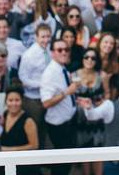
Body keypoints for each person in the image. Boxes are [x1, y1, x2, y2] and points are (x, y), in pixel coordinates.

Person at [40, 38, 79, 175]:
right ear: (52, 53)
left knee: (66, 163)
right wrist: (67, 92)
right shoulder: (49, 73)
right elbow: (46, 103)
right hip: (58, 126)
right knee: (61, 165)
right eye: (59, 50)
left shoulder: (62, 69)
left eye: (66, 49)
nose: (64, 52)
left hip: (68, 122)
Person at [18, 23, 53, 146]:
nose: (46, 40)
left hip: (48, 98)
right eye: (43, 37)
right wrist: (43, 84)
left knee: (46, 130)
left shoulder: (49, 51)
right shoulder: (29, 55)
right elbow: (23, 79)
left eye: (48, 36)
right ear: (36, 37)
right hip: (34, 99)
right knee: (35, 130)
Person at [74, 48, 107, 175]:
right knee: (84, 153)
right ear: (82, 59)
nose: (89, 60)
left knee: (97, 152)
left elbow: (108, 94)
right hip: (81, 119)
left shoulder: (101, 76)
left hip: (97, 119)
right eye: (86, 57)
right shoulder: (74, 75)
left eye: (93, 58)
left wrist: (102, 102)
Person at [0, 86, 39, 174]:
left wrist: (10, 150)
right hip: (6, 163)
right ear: (6, 101)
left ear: (21, 101)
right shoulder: (6, 114)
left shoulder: (28, 121)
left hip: (23, 166)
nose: (13, 103)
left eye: (17, 100)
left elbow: (34, 145)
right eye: (10, 100)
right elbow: (10, 133)